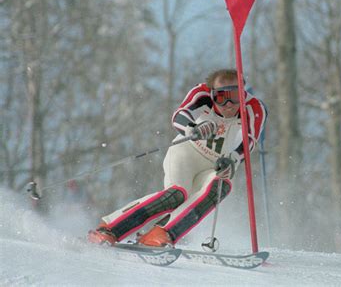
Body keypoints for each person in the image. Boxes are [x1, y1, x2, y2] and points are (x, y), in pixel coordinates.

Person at [88, 69, 267, 247]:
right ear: (212, 94)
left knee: (221, 186)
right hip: (186, 153)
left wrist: (233, 159)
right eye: (221, 97)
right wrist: (192, 129)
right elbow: (179, 115)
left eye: (235, 96)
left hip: (214, 165)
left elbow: (249, 140)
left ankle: (160, 234)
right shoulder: (201, 93)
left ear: (243, 93)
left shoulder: (254, 108)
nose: (229, 104)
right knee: (176, 195)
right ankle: (109, 228)